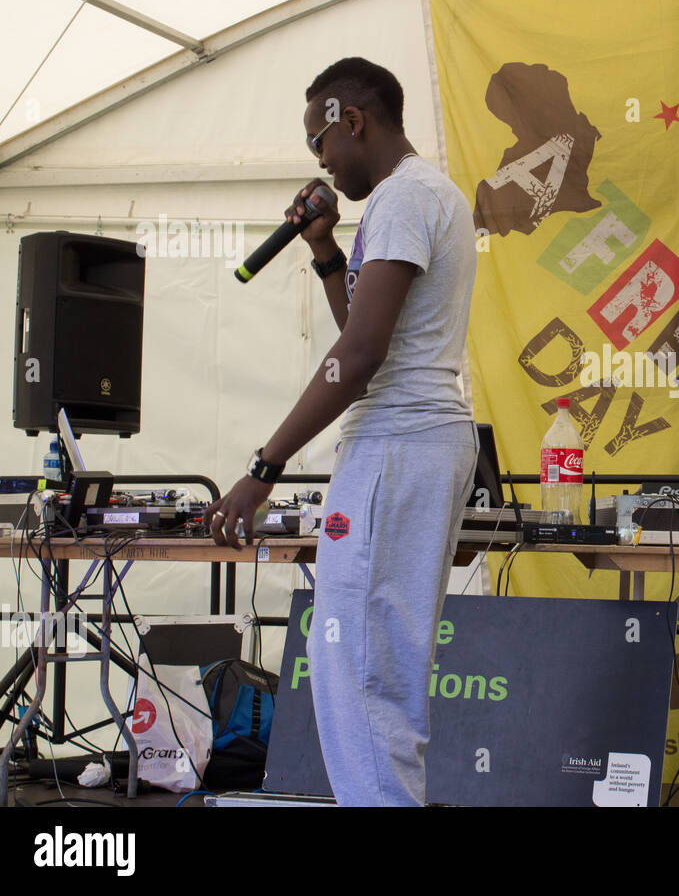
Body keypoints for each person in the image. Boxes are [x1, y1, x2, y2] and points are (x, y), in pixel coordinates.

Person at [203, 57, 478, 806]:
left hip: (399, 440)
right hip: (417, 439)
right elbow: (361, 329)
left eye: (317, 141)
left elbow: (358, 356)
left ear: (350, 120)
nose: (318, 160)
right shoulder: (419, 197)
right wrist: (326, 250)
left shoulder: (403, 198)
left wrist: (265, 465)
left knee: (356, 664)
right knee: (377, 662)